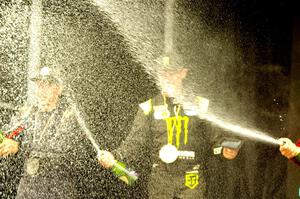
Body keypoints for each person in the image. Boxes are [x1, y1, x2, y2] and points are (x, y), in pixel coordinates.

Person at [98, 62, 241, 198]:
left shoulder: (200, 105)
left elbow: (216, 139)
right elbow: (135, 142)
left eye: (171, 73)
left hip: (192, 176)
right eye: (163, 73)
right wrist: (115, 156)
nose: (166, 77)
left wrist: (224, 150)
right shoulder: (148, 107)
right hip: (161, 177)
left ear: (183, 73)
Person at [0, 67, 96, 198]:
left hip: (57, 189)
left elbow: (61, 151)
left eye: (47, 85)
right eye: (39, 85)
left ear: (59, 88)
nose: (41, 91)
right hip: (27, 189)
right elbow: (8, 131)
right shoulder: (30, 113)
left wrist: (19, 147)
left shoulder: (69, 116)